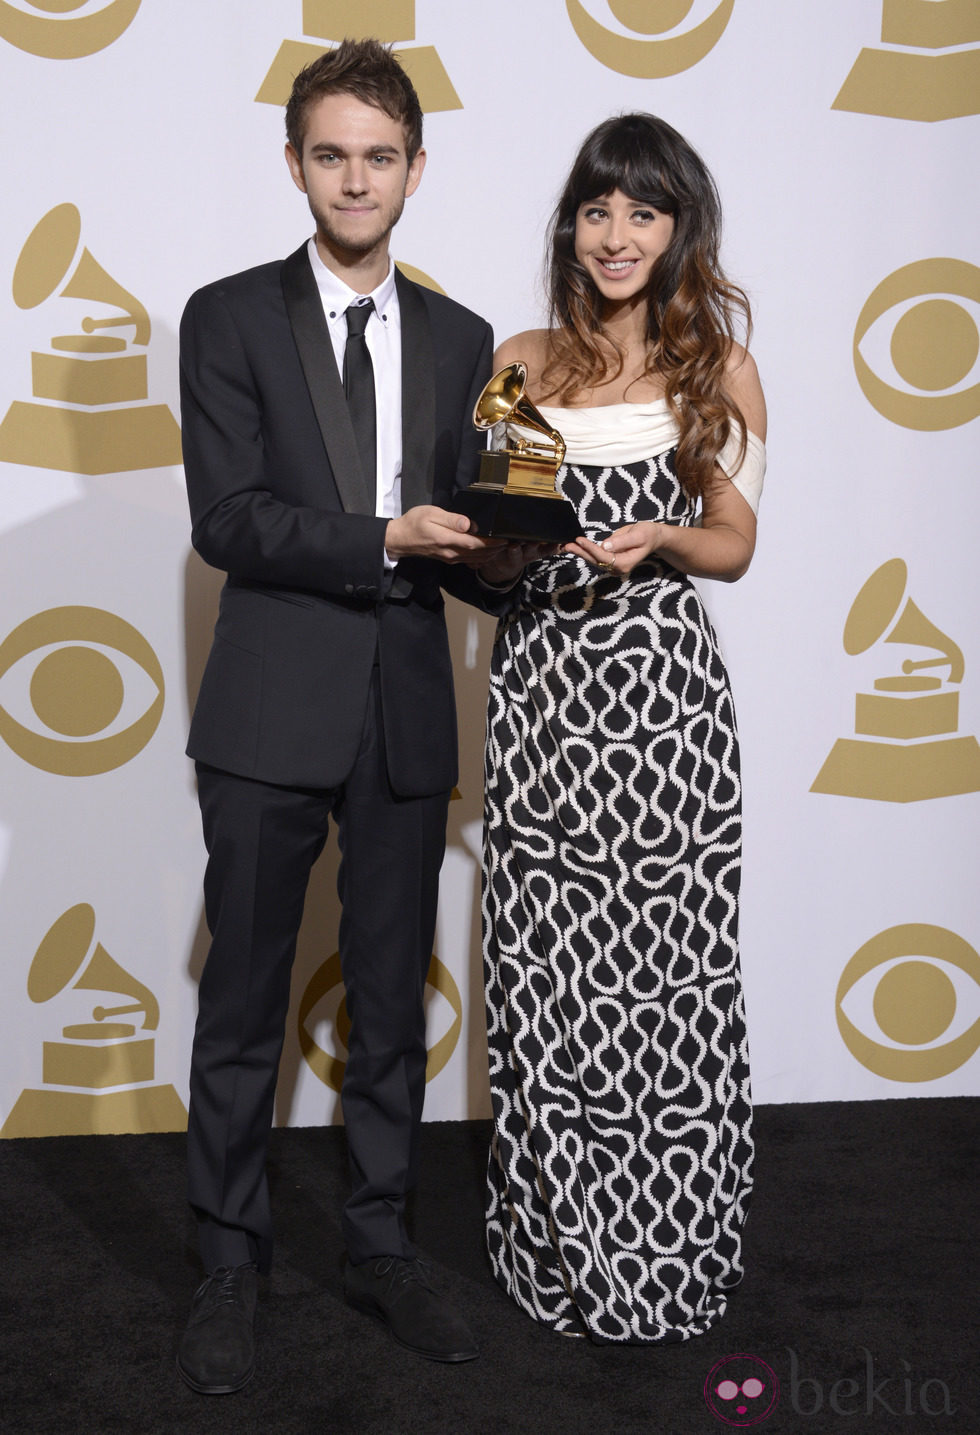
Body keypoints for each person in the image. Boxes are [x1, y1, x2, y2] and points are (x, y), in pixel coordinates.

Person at [176, 39, 522, 1393]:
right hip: (268, 707)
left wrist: (505, 554)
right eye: (332, 153)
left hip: (402, 709)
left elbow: (473, 521)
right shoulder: (227, 316)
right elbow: (230, 518)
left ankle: (380, 1244)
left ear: (416, 169)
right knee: (243, 1006)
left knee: (391, 1008)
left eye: (380, 155)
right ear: (295, 166)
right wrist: (385, 532)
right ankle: (225, 1261)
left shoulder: (464, 337)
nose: (356, 177)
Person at [482, 113, 767, 1345]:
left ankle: (668, 1239)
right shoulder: (518, 360)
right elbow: (497, 530)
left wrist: (659, 539)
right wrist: (493, 539)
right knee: (549, 974)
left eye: (641, 212)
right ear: (571, 223)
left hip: (663, 703)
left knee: (668, 977)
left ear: (677, 229)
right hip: (542, 687)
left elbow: (734, 544)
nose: (615, 234)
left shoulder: (720, 368)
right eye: (598, 208)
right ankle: (557, 1239)